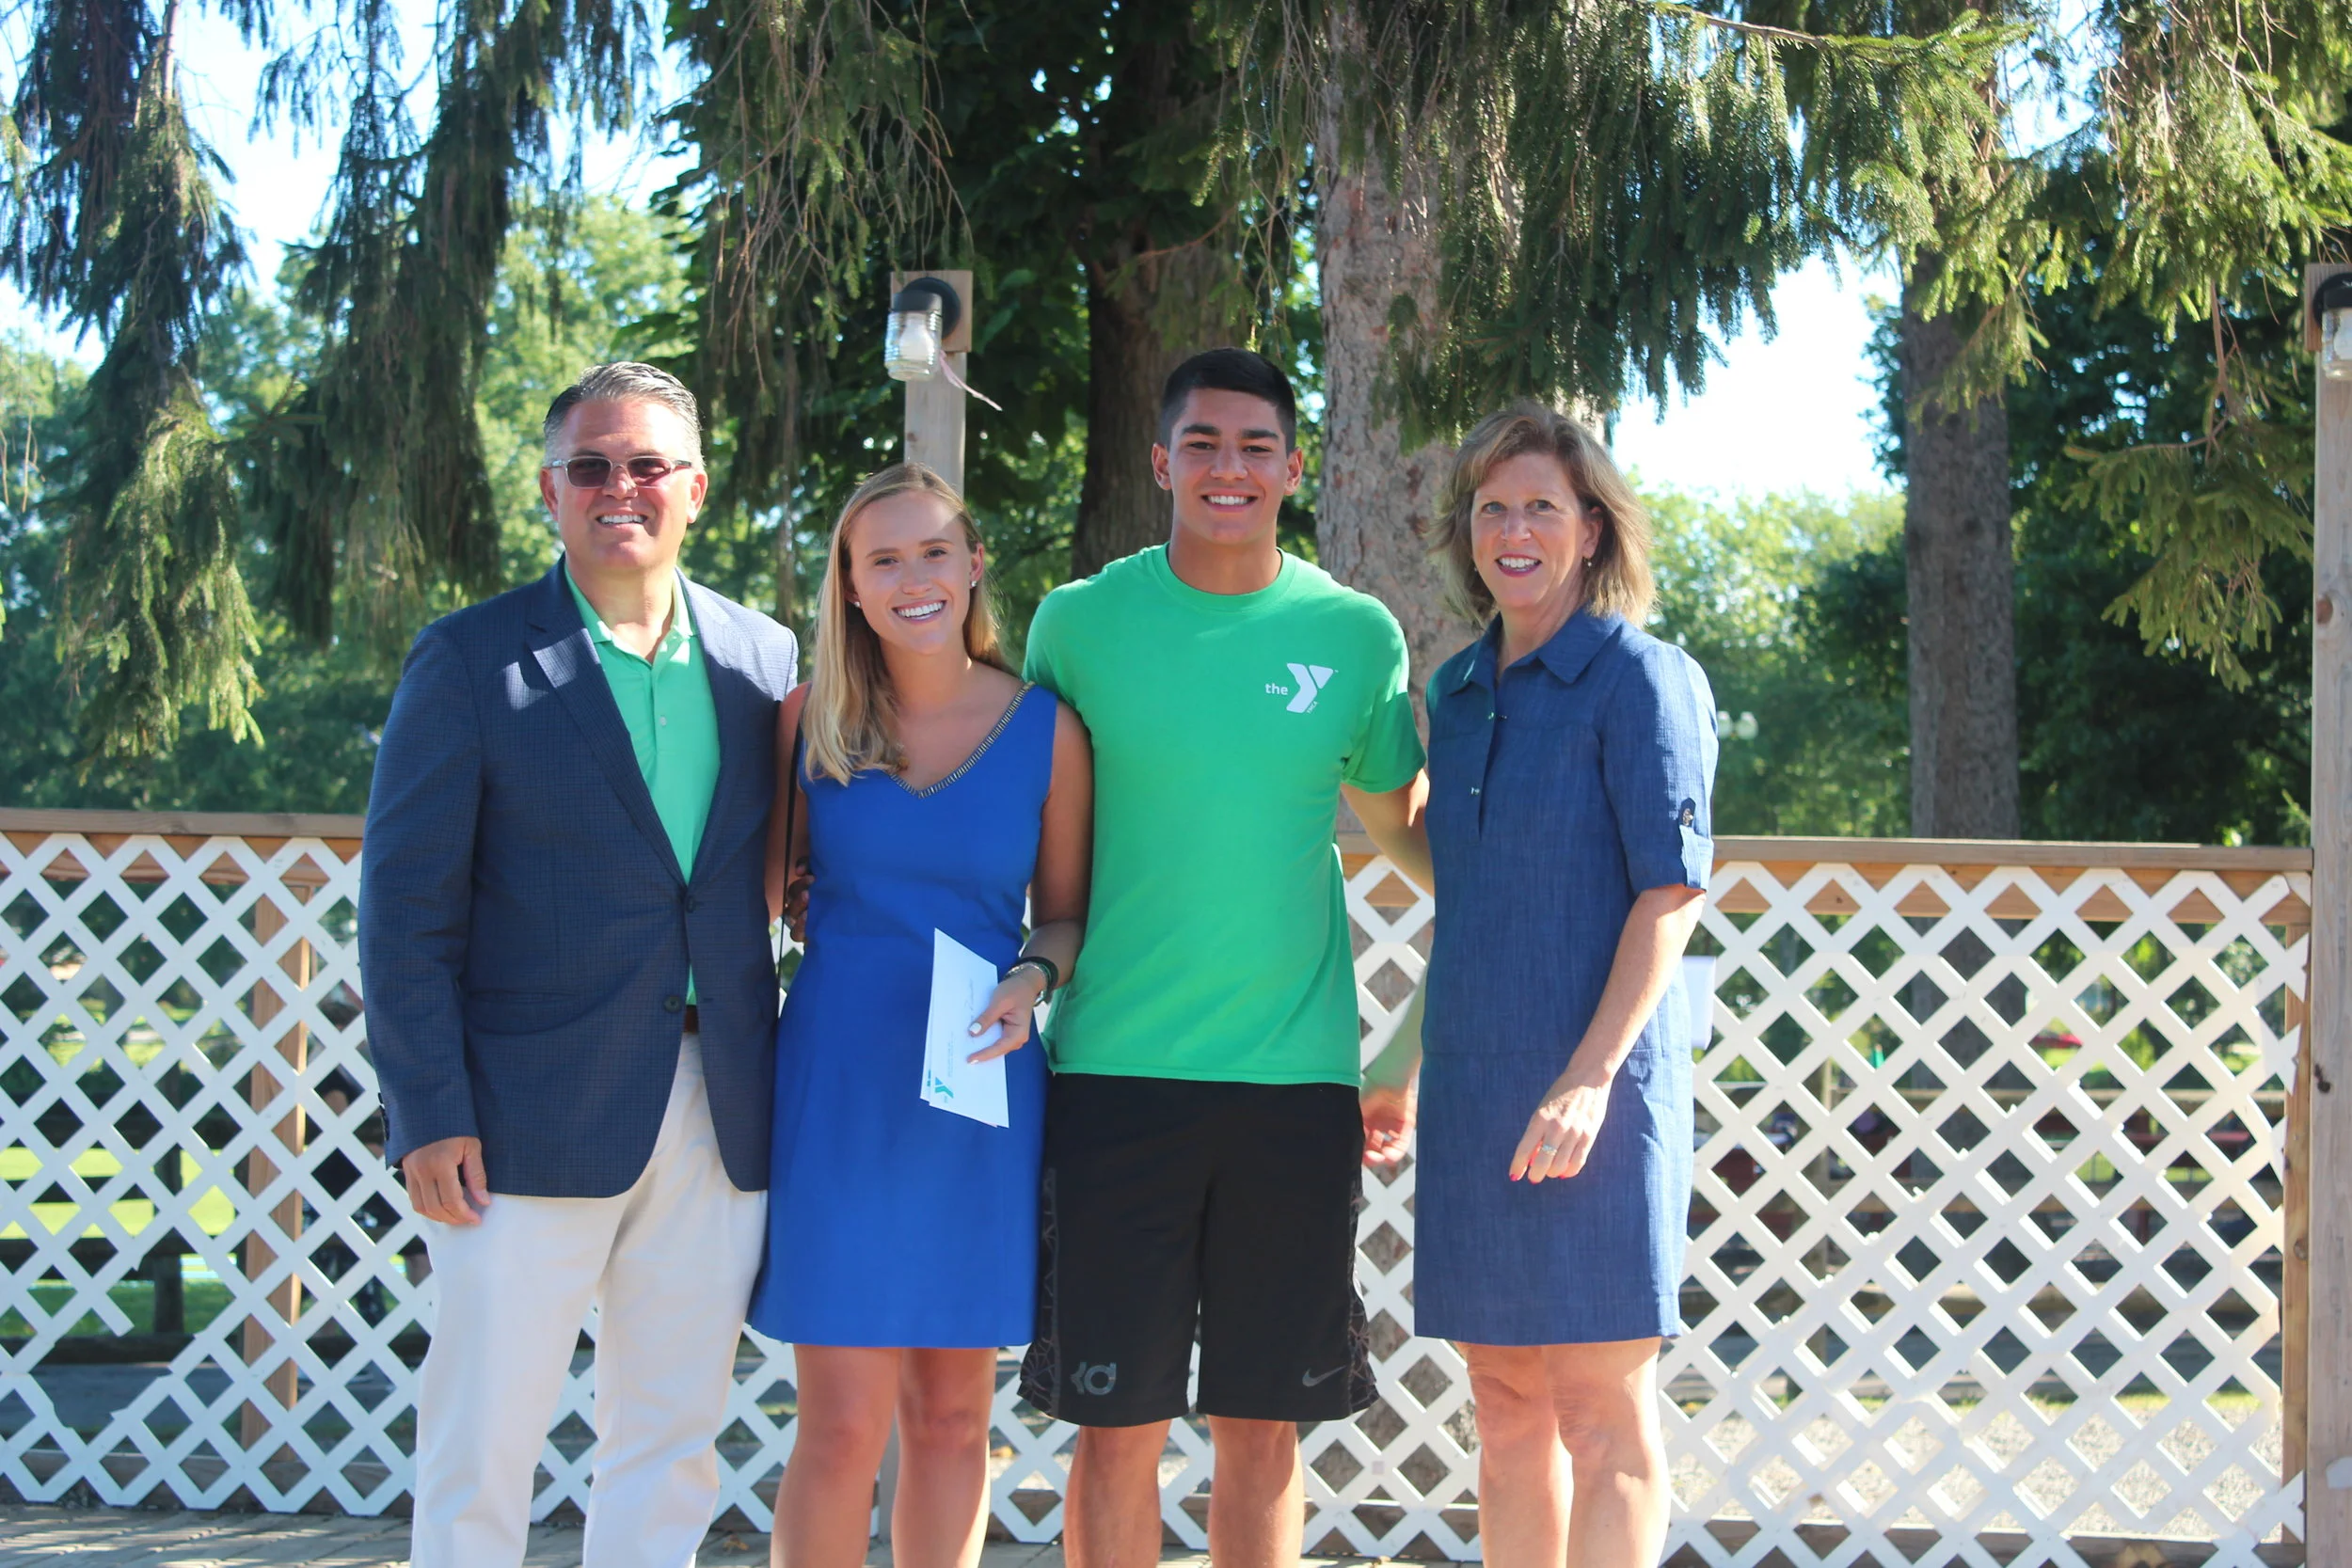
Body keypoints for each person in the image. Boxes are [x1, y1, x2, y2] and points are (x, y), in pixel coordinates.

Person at [359, 362, 800, 1567]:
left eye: (646, 464)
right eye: (590, 466)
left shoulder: (765, 660)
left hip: (720, 1106)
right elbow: (403, 912)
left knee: (669, 1435)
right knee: (482, 1436)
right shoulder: (467, 659)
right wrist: (427, 1109)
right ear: (549, 490)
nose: (620, 487)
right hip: (515, 1118)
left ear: (695, 488)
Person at [1016, 348, 1434, 1568]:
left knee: (1264, 1431)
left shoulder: (1353, 636)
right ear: (1161, 462)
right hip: (1111, 1079)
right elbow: (1023, 823)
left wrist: (1409, 1046)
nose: (1229, 467)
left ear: (1295, 468)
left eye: (1256, 446)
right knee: (1115, 1431)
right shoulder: (1079, 624)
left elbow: (1432, 851)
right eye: (1202, 443)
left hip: (1294, 1095)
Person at [1359, 402, 1717, 1568]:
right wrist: (1403, 1070)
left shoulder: (1640, 680)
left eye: (1541, 509)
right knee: (1506, 1408)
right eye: (1492, 508)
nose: (1514, 530)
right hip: (1475, 1093)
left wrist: (1589, 1077)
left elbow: (1667, 897)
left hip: (1594, 1094)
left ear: (1593, 530)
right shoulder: (1455, 694)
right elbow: (1467, 885)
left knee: (1599, 1411)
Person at [751, 464, 1092, 1568]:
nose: (913, 577)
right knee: (842, 1420)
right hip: (841, 1087)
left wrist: (1031, 981)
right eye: (882, 559)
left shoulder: (1050, 728)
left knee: (952, 1418)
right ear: (848, 586)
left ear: (976, 562)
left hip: (976, 1087)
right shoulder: (809, 722)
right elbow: (767, 894)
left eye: (934, 550)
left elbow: (1066, 918)